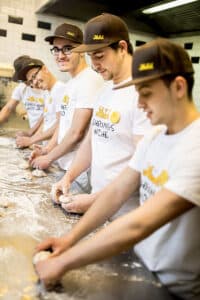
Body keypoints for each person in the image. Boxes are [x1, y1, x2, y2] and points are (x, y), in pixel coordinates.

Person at [35, 38, 200, 300]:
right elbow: (116, 192)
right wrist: (70, 239)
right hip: (140, 264)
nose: (140, 103)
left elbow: (139, 223)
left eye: (146, 93)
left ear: (178, 87)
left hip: (174, 288)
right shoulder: (155, 136)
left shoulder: (195, 147)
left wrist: (63, 263)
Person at [52, 13, 151, 217]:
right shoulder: (106, 90)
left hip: (127, 215)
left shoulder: (144, 93)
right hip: (99, 206)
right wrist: (68, 178)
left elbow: (144, 165)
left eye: (99, 55)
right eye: (90, 57)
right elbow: (90, 142)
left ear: (122, 48)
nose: (94, 64)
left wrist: (94, 200)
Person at [30, 23, 104, 193]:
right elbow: (64, 125)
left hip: (79, 171)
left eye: (67, 49)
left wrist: (48, 158)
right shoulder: (72, 83)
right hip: (64, 163)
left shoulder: (89, 81)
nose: (60, 55)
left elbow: (76, 133)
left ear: (83, 50)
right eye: (56, 49)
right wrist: (47, 149)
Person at [15, 57, 66, 148]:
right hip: (49, 149)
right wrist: (33, 141)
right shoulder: (48, 92)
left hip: (59, 154)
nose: (34, 83)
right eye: (31, 81)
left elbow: (61, 125)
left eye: (34, 76)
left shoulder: (60, 90)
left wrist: (31, 140)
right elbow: (46, 122)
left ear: (45, 69)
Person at [0, 56, 45, 136]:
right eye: (21, 79)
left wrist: (33, 138)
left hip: (46, 134)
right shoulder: (22, 88)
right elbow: (8, 108)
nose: (23, 81)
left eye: (24, 77)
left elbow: (48, 118)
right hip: (35, 133)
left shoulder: (47, 89)